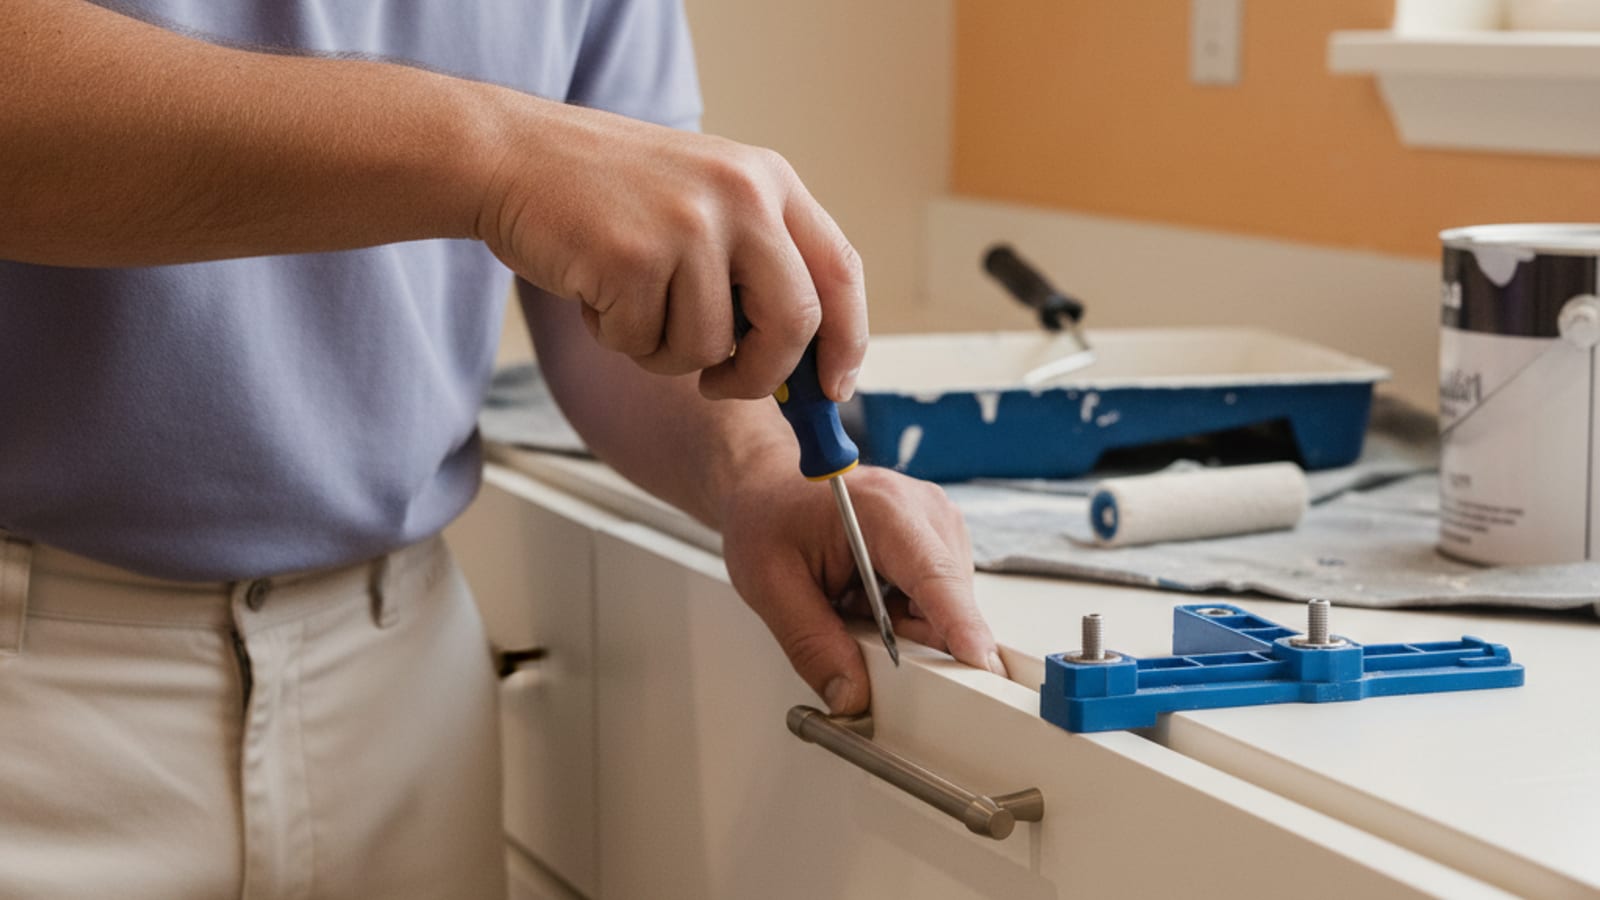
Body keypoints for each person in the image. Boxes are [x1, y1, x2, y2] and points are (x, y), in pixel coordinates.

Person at [0, 1, 1006, 897]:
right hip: (34, 716)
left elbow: (620, 290)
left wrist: (761, 476)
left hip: (400, 692)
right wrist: (501, 153)